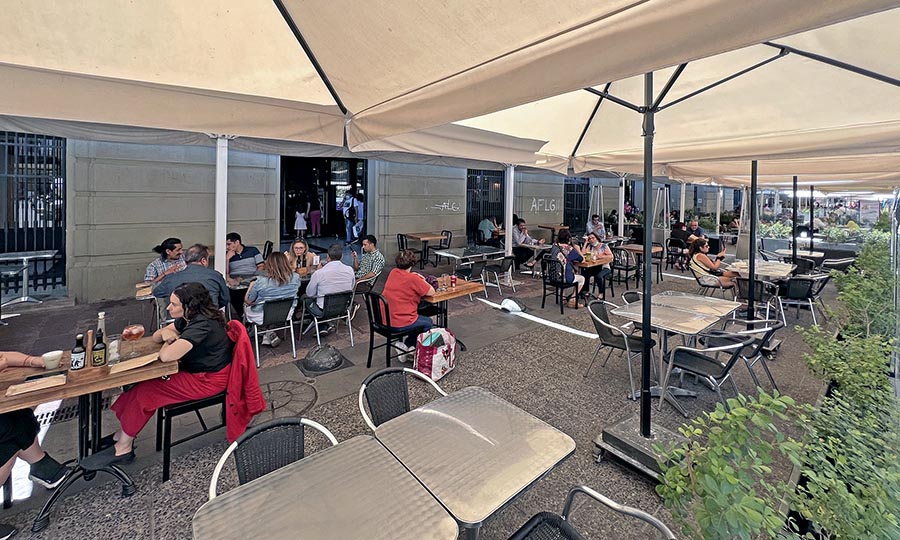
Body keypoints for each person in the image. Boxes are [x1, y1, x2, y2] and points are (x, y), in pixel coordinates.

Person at [83, 283, 234, 468]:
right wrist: (168, 335)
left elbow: (167, 356)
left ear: (190, 306)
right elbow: (158, 334)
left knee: (146, 391)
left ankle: (124, 447)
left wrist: (167, 342)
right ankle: (122, 434)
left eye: (174, 304)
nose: (169, 308)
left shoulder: (202, 325)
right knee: (141, 384)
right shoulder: (190, 318)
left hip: (208, 380)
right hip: (197, 372)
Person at [381, 250, 435, 361]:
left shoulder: (393, 272)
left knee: (418, 318)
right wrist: (420, 278)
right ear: (412, 264)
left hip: (385, 319)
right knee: (427, 322)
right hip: (400, 321)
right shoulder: (413, 279)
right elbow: (431, 292)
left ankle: (407, 346)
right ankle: (414, 348)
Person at [244, 253, 301, 347]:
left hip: (261, 315)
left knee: (246, 306)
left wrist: (251, 286)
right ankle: (269, 331)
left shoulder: (260, 281)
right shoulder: (295, 277)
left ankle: (262, 331)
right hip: (286, 313)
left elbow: (248, 301)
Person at [302, 244, 356, 335]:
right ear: (341, 256)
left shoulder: (319, 273)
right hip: (342, 308)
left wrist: (317, 271)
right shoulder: (350, 270)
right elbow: (351, 286)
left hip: (322, 309)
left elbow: (310, 293)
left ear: (327, 257)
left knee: (304, 298)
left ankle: (313, 321)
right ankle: (322, 325)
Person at [154, 244, 229, 309]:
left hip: (181, 321)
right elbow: (225, 299)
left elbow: (157, 292)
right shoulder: (215, 275)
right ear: (203, 260)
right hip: (209, 319)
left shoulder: (171, 278)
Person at [549, 229, 585, 308]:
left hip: (553, 276)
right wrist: (577, 249)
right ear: (568, 238)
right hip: (563, 278)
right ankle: (573, 299)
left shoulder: (554, 246)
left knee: (564, 272)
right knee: (581, 279)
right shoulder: (569, 248)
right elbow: (581, 259)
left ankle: (563, 298)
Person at [581, 232, 613, 297]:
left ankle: (601, 293)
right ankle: (586, 291)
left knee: (598, 276)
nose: (591, 240)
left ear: (597, 238)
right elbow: (583, 253)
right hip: (594, 266)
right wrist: (585, 242)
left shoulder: (604, 246)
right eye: (589, 239)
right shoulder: (590, 246)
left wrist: (599, 256)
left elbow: (611, 256)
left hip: (604, 267)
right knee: (584, 274)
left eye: (593, 238)